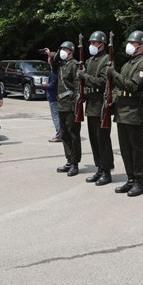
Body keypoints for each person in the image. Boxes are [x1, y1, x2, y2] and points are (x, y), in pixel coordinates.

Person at [109, 30, 143, 196]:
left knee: (136, 148)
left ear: (141, 46)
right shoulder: (127, 64)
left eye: (133, 43)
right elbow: (119, 86)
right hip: (122, 110)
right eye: (130, 43)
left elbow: (132, 86)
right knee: (125, 148)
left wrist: (114, 74)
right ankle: (130, 178)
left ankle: (139, 182)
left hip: (134, 110)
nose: (130, 46)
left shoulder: (142, 64)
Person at [78, 31, 115, 185]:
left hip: (100, 104)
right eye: (91, 43)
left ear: (102, 44)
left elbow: (101, 82)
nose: (91, 46)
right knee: (94, 139)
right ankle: (99, 168)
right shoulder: (90, 60)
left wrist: (84, 77)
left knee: (103, 139)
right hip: (91, 104)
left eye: (94, 43)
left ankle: (106, 171)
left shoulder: (107, 60)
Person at [54, 41, 82, 176]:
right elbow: (53, 61)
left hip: (71, 105)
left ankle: (75, 163)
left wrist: (76, 105)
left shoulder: (74, 65)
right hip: (61, 104)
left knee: (73, 134)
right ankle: (69, 160)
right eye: (61, 49)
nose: (62, 52)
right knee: (64, 134)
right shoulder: (61, 65)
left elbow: (77, 87)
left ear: (71, 51)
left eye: (64, 49)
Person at [44, 48, 63, 142]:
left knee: (55, 117)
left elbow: (52, 85)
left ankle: (59, 135)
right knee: (58, 116)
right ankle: (61, 134)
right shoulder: (59, 68)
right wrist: (49, 52)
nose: (47, 60)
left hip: (54, 97)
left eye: (48, 58)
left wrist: (44, 85)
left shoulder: (54, 72)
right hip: (57, 96)